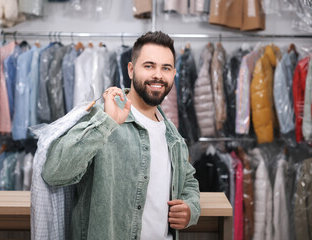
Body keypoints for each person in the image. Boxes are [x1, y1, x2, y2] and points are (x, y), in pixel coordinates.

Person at [42, 31, 200, 240]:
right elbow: (55, 172)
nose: (158, 75)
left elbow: (188, 179)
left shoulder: (172, 134)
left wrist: (190, 208)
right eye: (149, 66)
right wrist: (105, 124)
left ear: (173, 74)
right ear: (131, 70)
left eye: (166, 68)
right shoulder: (103, 115)